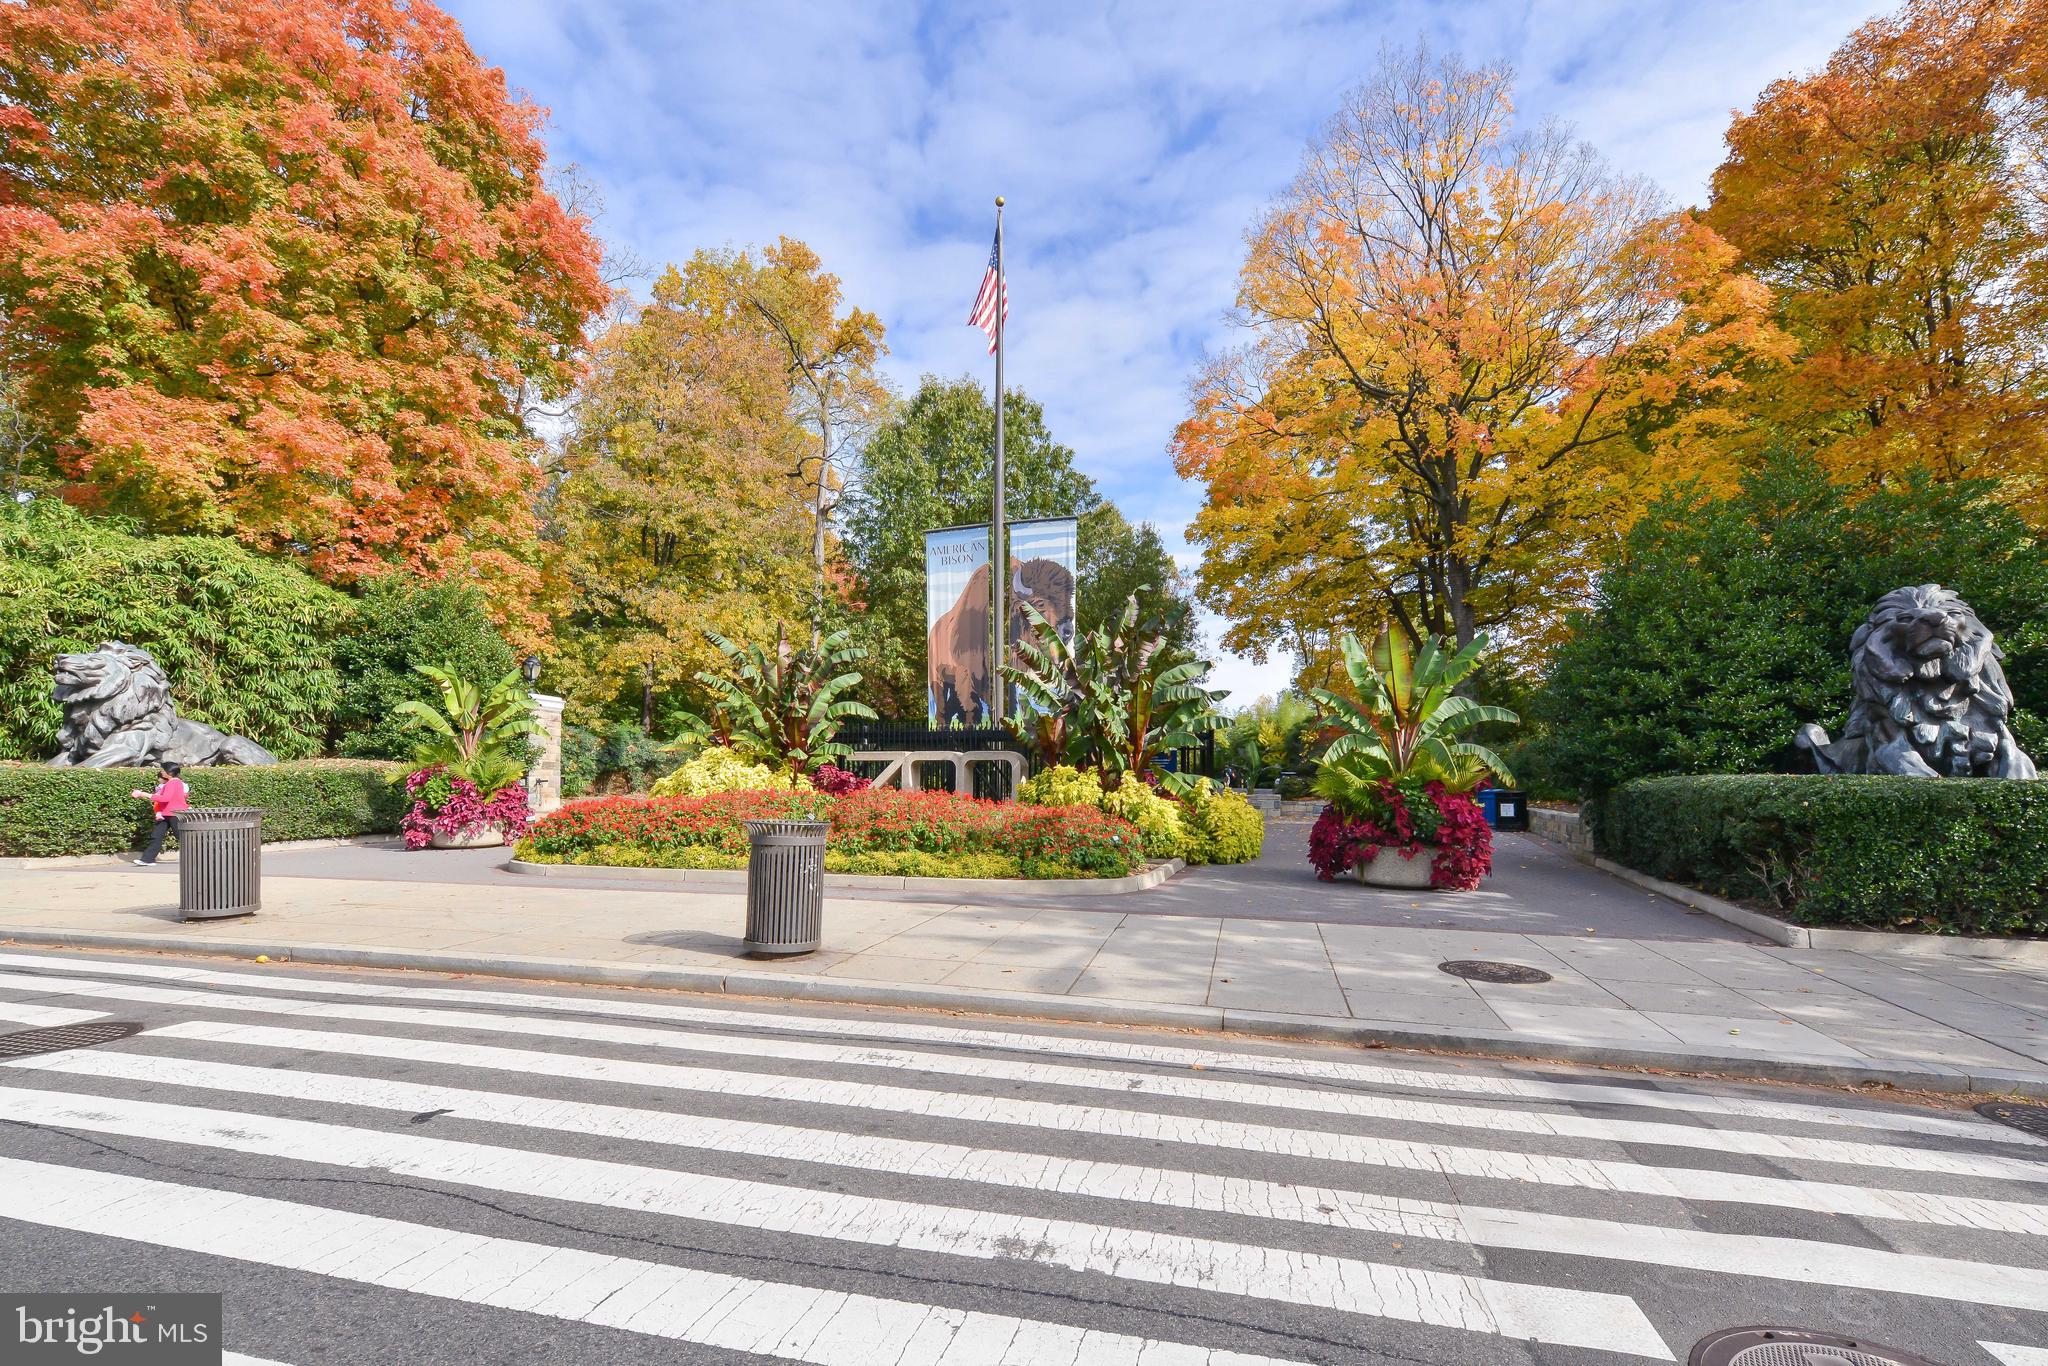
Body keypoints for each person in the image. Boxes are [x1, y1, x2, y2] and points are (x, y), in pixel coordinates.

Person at [130, 761, 188, 866]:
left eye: (163, 770)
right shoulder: (173, 782)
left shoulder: (173, 783)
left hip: (175, 814)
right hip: (166, 814)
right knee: (156, 836)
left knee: (183, 837)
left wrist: (145, 794)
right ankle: (148, 859)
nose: (161, 772)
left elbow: (165, 798)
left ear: (169, 773)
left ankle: (203, 855)